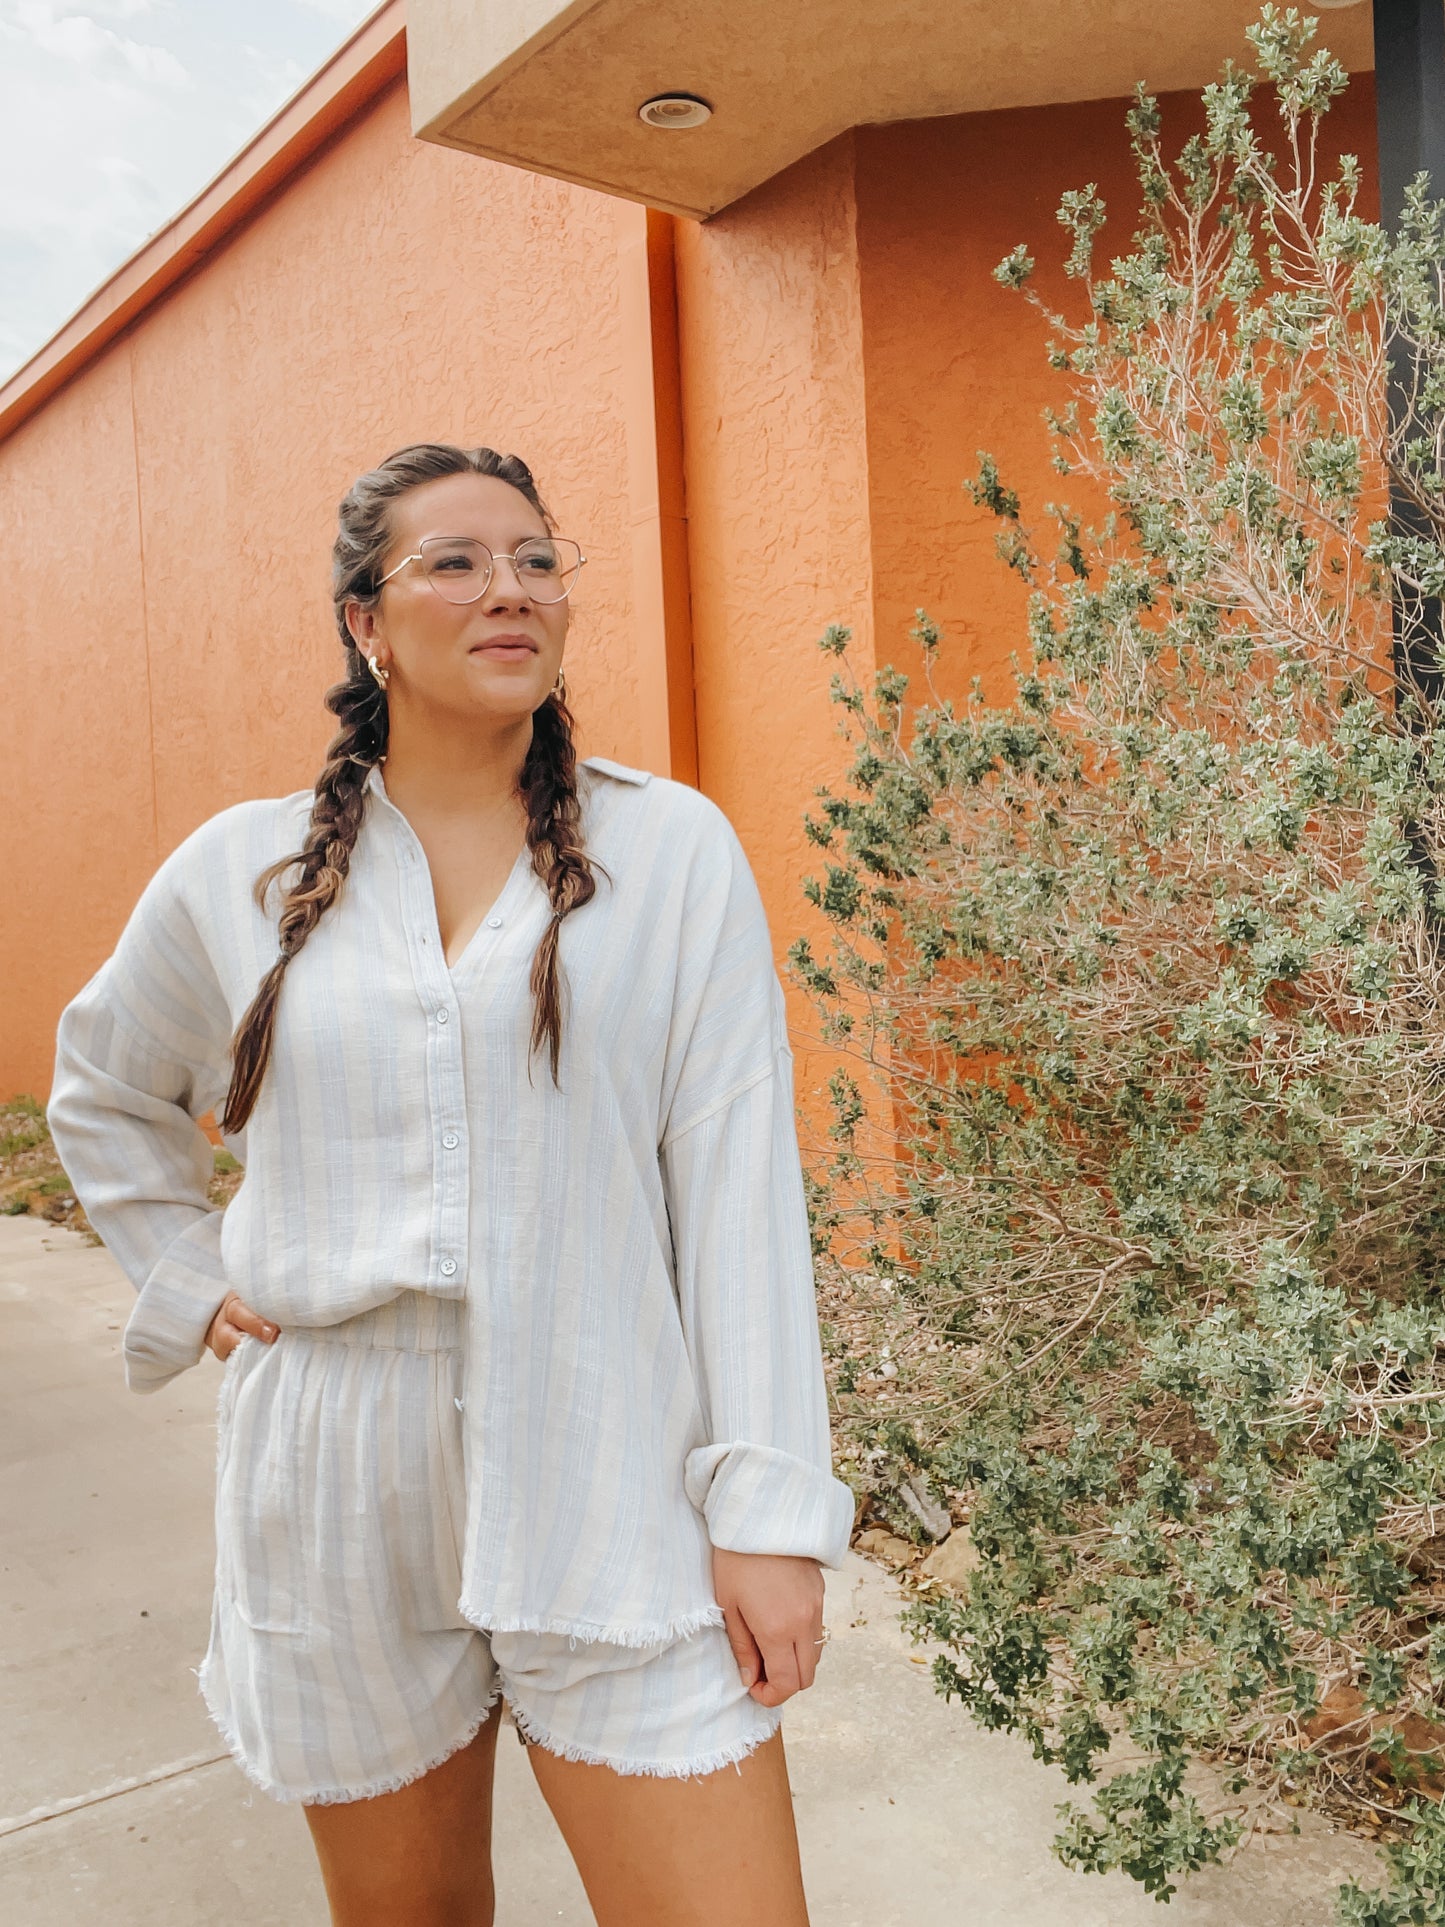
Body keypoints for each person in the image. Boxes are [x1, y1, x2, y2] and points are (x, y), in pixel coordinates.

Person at [45, 441, 855, 1927]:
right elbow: (101, 1085)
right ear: (367, 619)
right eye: (458, 561)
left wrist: (769, 1512)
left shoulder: (667, 851)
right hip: (333, 1468)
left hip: (608, 1446)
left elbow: (738, 1187)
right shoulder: (244, 870)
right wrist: (191, 1274)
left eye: (539, 559)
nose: (511, 590)